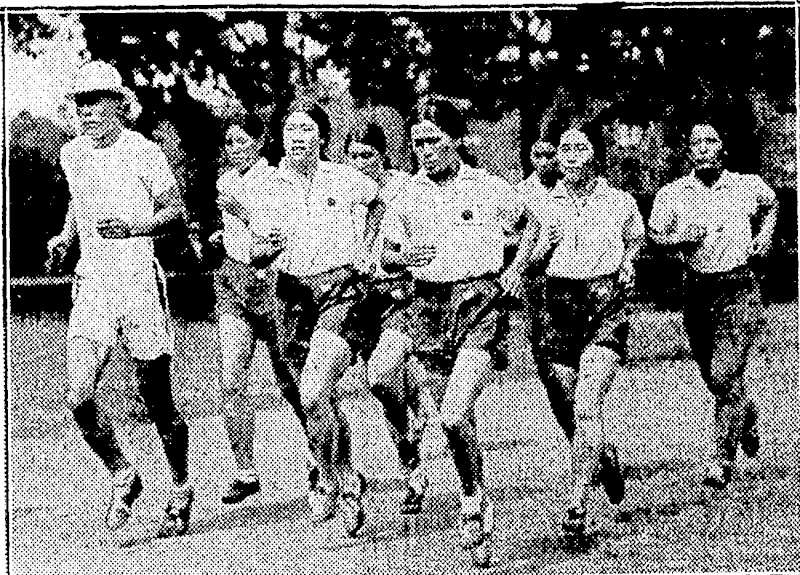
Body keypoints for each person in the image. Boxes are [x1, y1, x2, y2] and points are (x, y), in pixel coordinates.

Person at [46, 61, 192, 538]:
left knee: (156, 398)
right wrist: (66, 236)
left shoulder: (144, 152)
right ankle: (122, 472)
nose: (87, 112)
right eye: (81, 103)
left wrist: (134, 227)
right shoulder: (72, 153)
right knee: (79, 398)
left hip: (139, 284)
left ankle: (179, 486)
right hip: (92, 284)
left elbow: (175, 211)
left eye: (96, 102)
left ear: (118, 104)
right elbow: (78, 200)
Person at [375, 98, 521, 566]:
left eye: (432, 140)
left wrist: (513, 269)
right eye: (416, 142)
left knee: (455, 414)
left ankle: (475, 502)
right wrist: (401, 258)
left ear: (457, 140)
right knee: (383, 377)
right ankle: (419, 450)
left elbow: (534, 227)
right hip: (426, 306)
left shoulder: (490, 188)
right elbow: (386, 256)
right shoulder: (406, 193)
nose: (423, 150)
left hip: (478, 301)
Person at [501, 127, 645, 536]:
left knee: (586, 404)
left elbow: (635, 240)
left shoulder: (619, 200)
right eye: (564, 149)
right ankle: (604, 455)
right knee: (565, 403)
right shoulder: (541, 204)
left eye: (580, 147)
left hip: (605, 302)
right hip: (557, 304)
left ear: (595, 154)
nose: (570, 155)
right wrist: (529, 260)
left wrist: (629, 262)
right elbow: (528, 254)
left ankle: (576, 506)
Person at [248, 104, 381, 537]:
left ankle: (339, 485)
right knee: (313, 401)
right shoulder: (264, 185)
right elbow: (254, 250)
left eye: (306, 129)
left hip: (340, 291)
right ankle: (336, 472)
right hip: (290, 295)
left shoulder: (346, 178)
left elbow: (378, 204)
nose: (297, 136)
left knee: (314, 390)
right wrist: (264, 250)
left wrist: (367, 250)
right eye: (290, 129)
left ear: (321, 136)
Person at [649, 121, 776, 489]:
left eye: (710, 141)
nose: (703, 147)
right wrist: (677, 238)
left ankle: (720, 459)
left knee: (723, 374)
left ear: (723, 148)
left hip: (739, 288)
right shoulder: (673, 193)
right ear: (688, 151)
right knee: (715, 378)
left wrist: (765, 234)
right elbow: (654, 237)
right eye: (696, 142)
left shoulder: (747, 184)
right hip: (697, 292)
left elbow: (772, 203)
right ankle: (745, 413)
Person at [211, 113, 309, 505]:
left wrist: (243, 213)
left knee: (289, 378)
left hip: (274, 282)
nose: (233, 149)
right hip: (233, 280)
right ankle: (245, 469)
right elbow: (236, 233)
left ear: (258, 141)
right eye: (228, 143)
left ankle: (319, 455)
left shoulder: (278, 180)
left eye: (240, 141)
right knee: (231, 379)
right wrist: (222, 235)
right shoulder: (224, 181)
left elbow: (278, 234)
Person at [344, 123, 431, 515]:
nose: (360, 163)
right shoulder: (346, 192)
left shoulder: (405, 189)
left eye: (367, 155)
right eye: (353, 156)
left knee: (384, 375)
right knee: (383, 388)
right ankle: (411, 457)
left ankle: (420, 419)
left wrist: (404, 260)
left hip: (403, 295)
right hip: (361, 298)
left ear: (383, 156)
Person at [291, 56, 412, 172]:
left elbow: (399, 164)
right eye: (323, 67)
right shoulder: (320, 119)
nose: (328, 74)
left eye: (336, 67)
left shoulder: (386, 116)